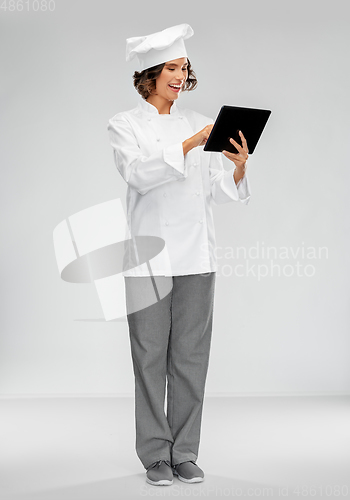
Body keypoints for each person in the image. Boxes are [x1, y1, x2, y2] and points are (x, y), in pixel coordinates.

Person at [107, 23, 251, 486]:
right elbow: (139, 175)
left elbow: (214, 190)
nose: (179, 74)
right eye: (171, 67)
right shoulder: (124, 125)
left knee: (191, 357)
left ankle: (184, 450)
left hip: (196, 256)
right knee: (149, 356)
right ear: (149, 74)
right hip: (148, 259)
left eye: (184, 67)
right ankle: (155, 455)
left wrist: (237, 168)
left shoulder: (198, 121)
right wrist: (190, 144)